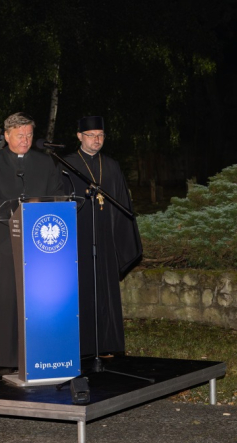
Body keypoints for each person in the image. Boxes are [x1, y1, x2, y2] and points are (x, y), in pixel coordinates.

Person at [0, 112, 64, 368]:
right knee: (6, 297)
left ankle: (40, 352)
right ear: (6, 136)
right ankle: (6, 355)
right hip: (4, 241)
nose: (25, 140)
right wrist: (20, 207)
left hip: (41, 243)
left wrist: (45, 207)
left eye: (29, 135)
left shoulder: (46, 163)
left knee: (39, 298)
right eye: (19, 135)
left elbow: (57, 195)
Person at [61, 116, 143, 356]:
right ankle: (81, 347)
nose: (97, 140)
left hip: (105, 238)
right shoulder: (66, 165)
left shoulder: (111, 165)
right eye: (91, 135)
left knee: (106, 292)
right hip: (78, 240)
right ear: (79, 136)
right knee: (81, 291)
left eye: (101, 135)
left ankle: (108, 345)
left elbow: (122, 202)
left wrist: (122, 240)